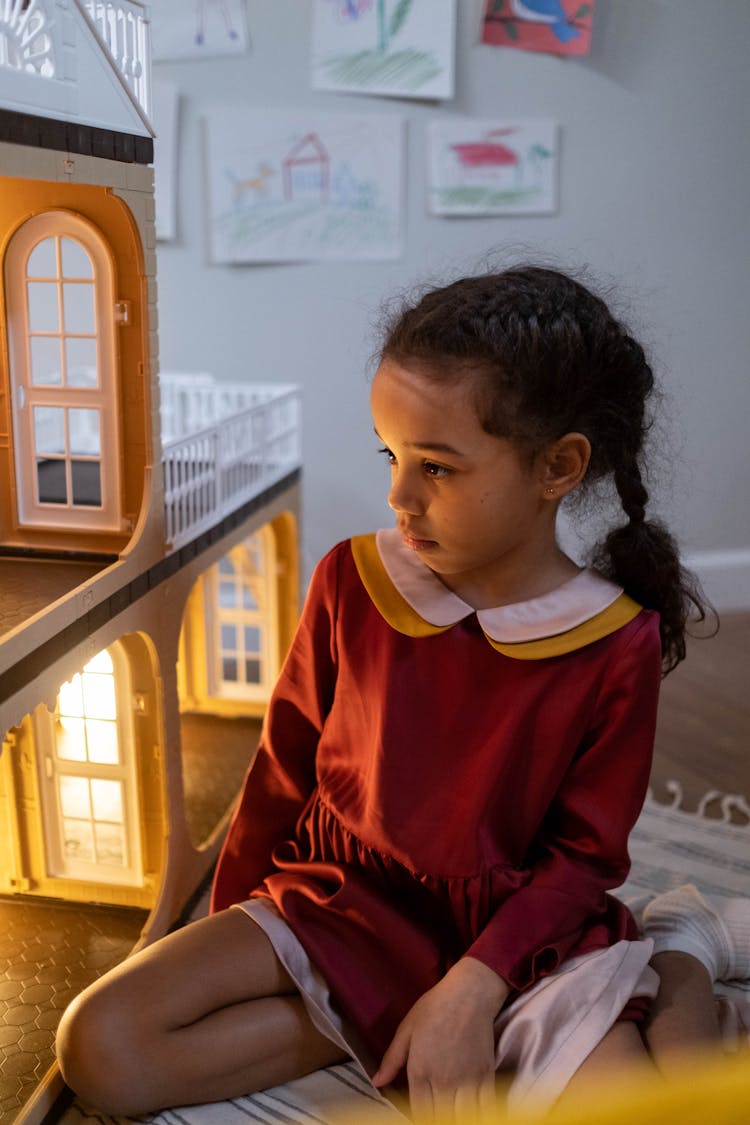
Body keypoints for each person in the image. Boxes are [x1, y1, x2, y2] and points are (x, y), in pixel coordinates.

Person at [57, 265, 716, 1121]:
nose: (399, 495)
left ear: (559, 467)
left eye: (437, 467)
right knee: (101, 1047)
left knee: (663, 1106)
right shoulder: (352, 581)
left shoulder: (612, 640)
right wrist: (231, 933)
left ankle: (683, 951)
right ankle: (385, 1022)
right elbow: (282, 766)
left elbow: (585, 860)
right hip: (339, 903)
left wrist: (475, 987)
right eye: (391, 454)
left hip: (519, 944)